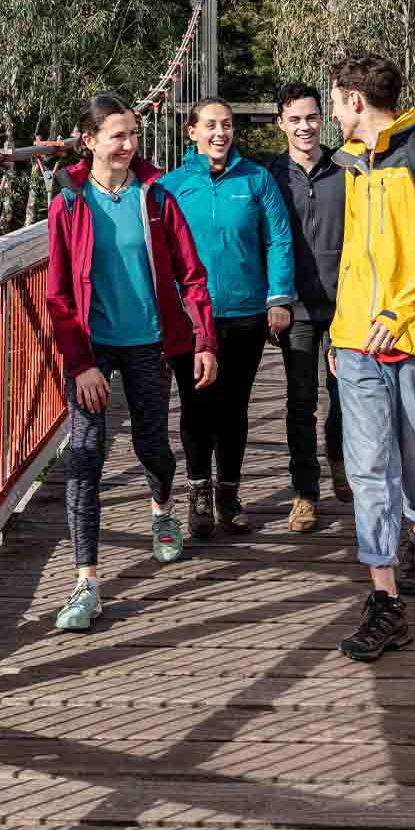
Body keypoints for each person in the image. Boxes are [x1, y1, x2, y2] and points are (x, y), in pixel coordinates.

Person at [44, 94, 219, 632]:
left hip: (147, 340)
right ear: (89, 141)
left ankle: (161, 509)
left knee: (151, 445)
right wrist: (80, 364)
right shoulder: (69, 203)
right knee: (84, 455)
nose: (128, 145)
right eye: (117, 135)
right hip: (92, 349)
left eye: (132, 135)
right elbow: (56, 295)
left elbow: (191, 274)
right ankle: (86, 582)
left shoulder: (157, 197)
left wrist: (205, 339)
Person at [325, 50, 415, 662]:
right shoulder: (352, 165)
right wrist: (340, 330)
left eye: (334, 100)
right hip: (359, 341)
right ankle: (384, 599)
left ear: (355, 101)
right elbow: (354, 259)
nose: (332, 113)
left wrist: (396, 313)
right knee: (367, 468)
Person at [162, 97, 297, 538]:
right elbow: (157, 252)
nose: (220, 133)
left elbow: (279, 238)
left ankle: (229, 494)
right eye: (211, 125)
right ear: (192, 133)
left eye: (227, 125)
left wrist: (278, 297)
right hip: (190, 318)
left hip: (244, 313)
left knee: (234, 405)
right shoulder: (172, 186)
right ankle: (198, 492)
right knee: (197, 405)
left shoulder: (256, 180)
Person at [266, 81, 348, 532]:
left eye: (312, 117)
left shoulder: (346, 169)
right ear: (281, 122)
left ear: (324, 119)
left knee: (345, 397)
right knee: (301, 402)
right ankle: (304, 495)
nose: (305, 127)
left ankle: (338, 458)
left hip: (344, 306)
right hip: (295, 308)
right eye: (295, 119)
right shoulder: (270, 175)